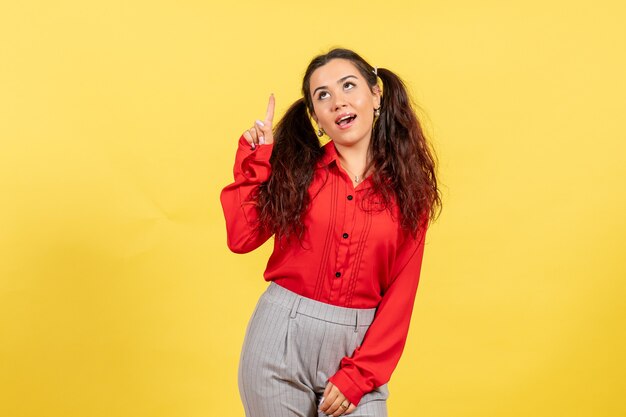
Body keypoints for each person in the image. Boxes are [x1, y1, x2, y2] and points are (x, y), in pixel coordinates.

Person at [220, 48, 441, 417]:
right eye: (323, 95)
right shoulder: (298, 172)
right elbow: (242, 237)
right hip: (278, 342)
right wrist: (256, 160)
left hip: (356, 350)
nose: (338, 102)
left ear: (375, 95)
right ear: (318, 119)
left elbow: (401, 296)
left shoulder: (409, 192)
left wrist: (361, 375)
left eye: (348, 86)